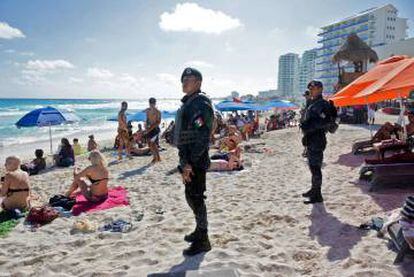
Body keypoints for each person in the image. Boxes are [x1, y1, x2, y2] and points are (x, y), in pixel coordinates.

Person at [175, 67, 214, 256]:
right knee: (191, 196)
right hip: (188, 158)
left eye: (188, 79)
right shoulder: (190, 102)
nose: (184, 82)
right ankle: (199, 230)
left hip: (195, 160)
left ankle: (203, 239)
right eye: (183, 79)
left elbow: (202, 135)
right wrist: (184, 161)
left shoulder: (199, 103)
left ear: (198, 82)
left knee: (196, 197)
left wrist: (190, 162)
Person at [300, 81, 335, 204]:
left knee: (316, 168)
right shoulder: (313, 103)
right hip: (311, 139)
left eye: (313, 88)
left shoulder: (323, 104)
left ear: (320, 89)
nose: (310, 90)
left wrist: (309, 126)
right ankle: (313, 190)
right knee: (312, 166)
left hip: (317, 139)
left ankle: (317, 195)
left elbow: (326, 121)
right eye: (309, 88)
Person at [145, 98, 162, 163]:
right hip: (149, 129)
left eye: (153, 103)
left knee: (152, 144)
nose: (152, 104)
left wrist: (150, 127)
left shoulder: (158, 112)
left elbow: (158, 122)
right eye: (151, 103)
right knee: (151, 144)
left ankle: (156, 158)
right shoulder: (147, 111)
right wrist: (146, 125)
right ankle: (157, 157)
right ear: (149, 103)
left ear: (155, 103)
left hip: (155, 129)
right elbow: (147, 119)